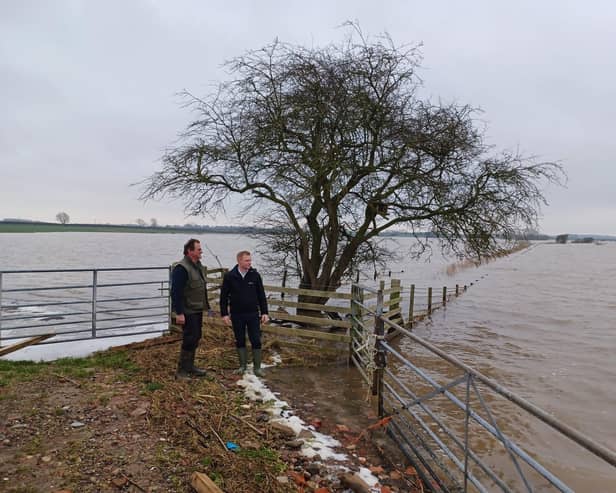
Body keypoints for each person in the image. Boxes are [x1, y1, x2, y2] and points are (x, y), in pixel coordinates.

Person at [220, 250, 269, 376]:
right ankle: (242, 366)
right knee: (240, 339)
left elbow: (261, 295)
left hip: (252, 314)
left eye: (250, 260)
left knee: (255, 340)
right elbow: (223, 297)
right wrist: (224, 314)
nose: (249, 263)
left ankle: (257, 368)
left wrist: (264, 312)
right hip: (237, 314)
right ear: (239, 261)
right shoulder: (230, 276)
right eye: (247, 260)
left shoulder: (255, 275)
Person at [171, 238, 211, 379]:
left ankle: (190, 367)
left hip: (197, 308)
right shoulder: (181, 268)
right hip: (187, 310)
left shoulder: (197, 265)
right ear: (190, 251)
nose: (201, 251)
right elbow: (176, 292)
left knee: (196, 337)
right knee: (189, 338)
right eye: (199, 249)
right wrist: (179, 313)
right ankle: (181, 371)